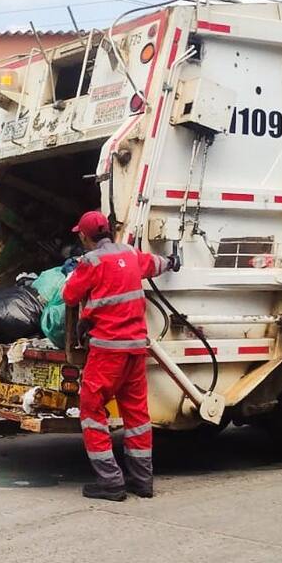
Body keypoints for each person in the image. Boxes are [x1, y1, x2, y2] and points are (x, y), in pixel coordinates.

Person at [61, 210, 178, 501]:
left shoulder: (91, 262)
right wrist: (173, 262)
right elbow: (155, 264)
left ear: (85, 237)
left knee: (91, 411)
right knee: (137, 415)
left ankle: (111, 482)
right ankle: (142, 480)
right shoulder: (130, 253)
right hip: (136, 349)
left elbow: (69, 296)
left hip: (107, 351)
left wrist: (74, 273)